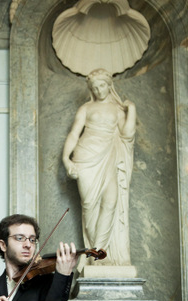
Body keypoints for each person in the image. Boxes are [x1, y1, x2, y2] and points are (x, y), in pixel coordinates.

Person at [62, 68, 136, 268]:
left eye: (102, 85)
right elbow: (74, 134)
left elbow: (127, 134)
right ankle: (95, 254)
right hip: (85, 158)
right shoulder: (86, 108)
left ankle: (98, 253)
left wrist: (131, 110)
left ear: (109, 85)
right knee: (89, 206)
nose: (99, 90)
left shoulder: (117, 110)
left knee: (111, 202)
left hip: (108, 158)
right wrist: (66, 159)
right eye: (95, 87)